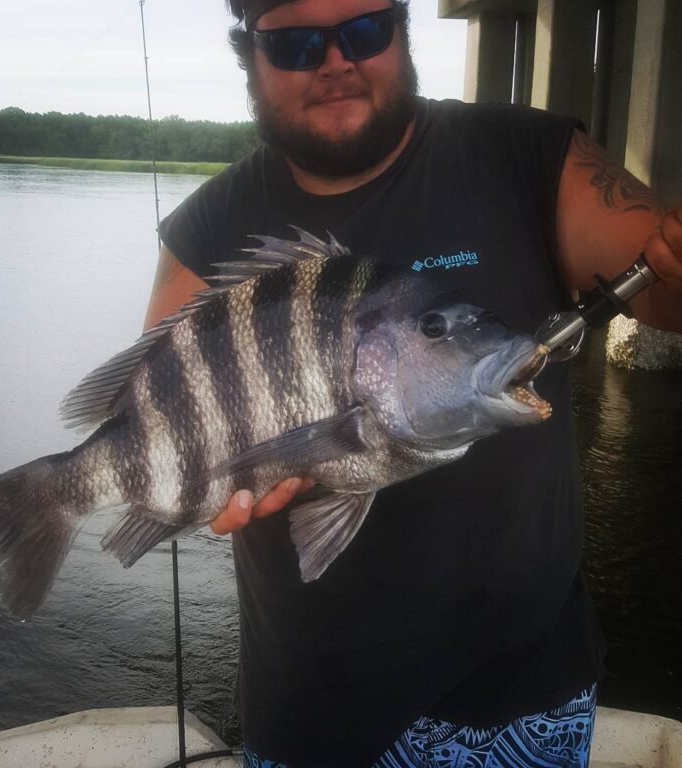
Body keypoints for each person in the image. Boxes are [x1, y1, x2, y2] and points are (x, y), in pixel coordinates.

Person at [145, 1, 682, 765]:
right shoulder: (209, 223)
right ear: (250, 58)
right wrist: (183, 491)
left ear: (401, 27)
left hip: (523, 700)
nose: (336, 62)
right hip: (308, 713)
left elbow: (663, 287)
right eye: (296, 45)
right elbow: (166, 423)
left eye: (364, 30)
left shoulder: (525, 153)